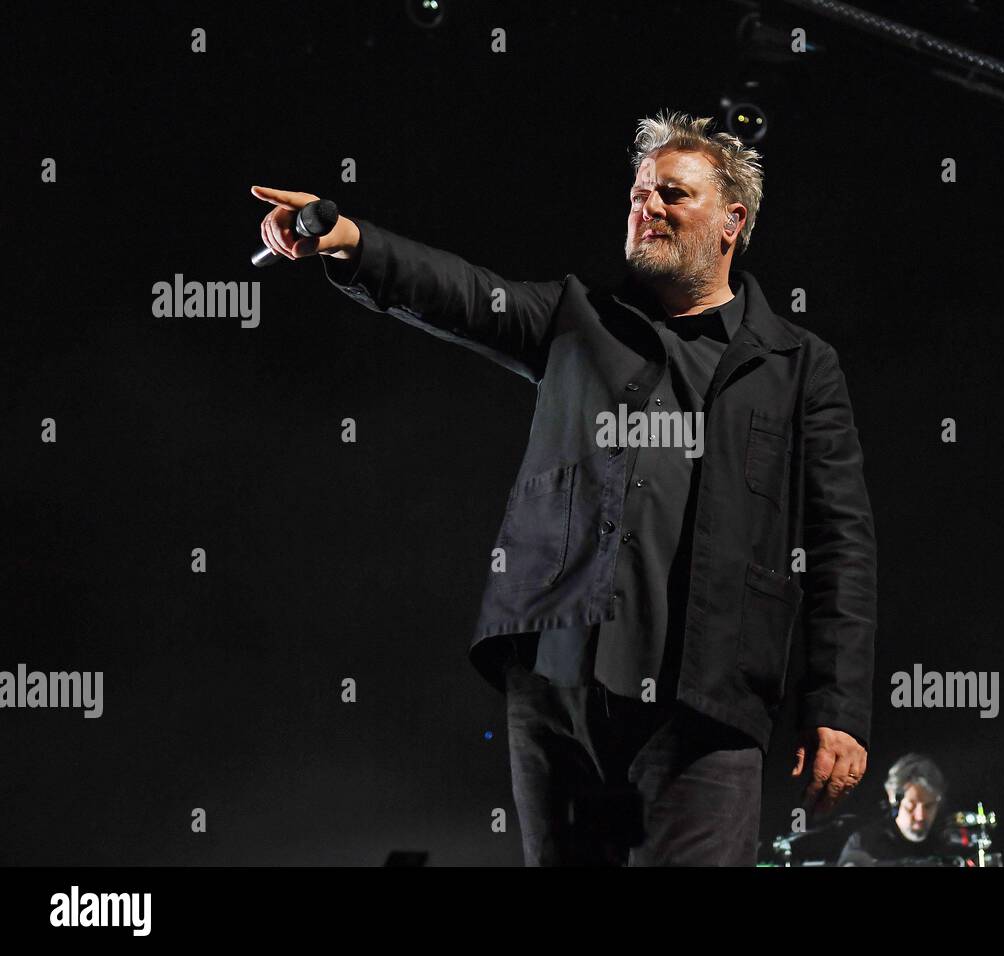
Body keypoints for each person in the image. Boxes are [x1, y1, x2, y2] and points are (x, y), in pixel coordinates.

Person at [250, 109, 878, 866]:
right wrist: (350, 239)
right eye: (640, 192)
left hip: (706, 703)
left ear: (731, 221)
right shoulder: (578, 319)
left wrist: (836, 707)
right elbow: (462, 293)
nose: (647, 205)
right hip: (560, 687)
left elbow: (841, 543)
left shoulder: (800, 365)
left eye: (673, 194)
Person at [838, 754, 961, 866]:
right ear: (893, 799)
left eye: (928, 806)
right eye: (912, 805)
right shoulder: (863, 843)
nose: (921, 816)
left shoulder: (949, 845)